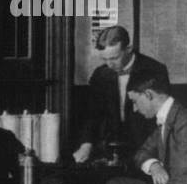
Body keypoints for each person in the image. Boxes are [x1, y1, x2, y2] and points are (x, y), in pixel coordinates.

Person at [72, 26, 169, 165]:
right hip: (110, 149)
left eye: (114, 58)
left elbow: (161, 117)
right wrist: (86, 144)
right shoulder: (100, 75)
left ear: (128, 49)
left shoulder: (154, 70)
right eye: (104, 59)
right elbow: (92, 115)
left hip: (146, 147)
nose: (109, 64)